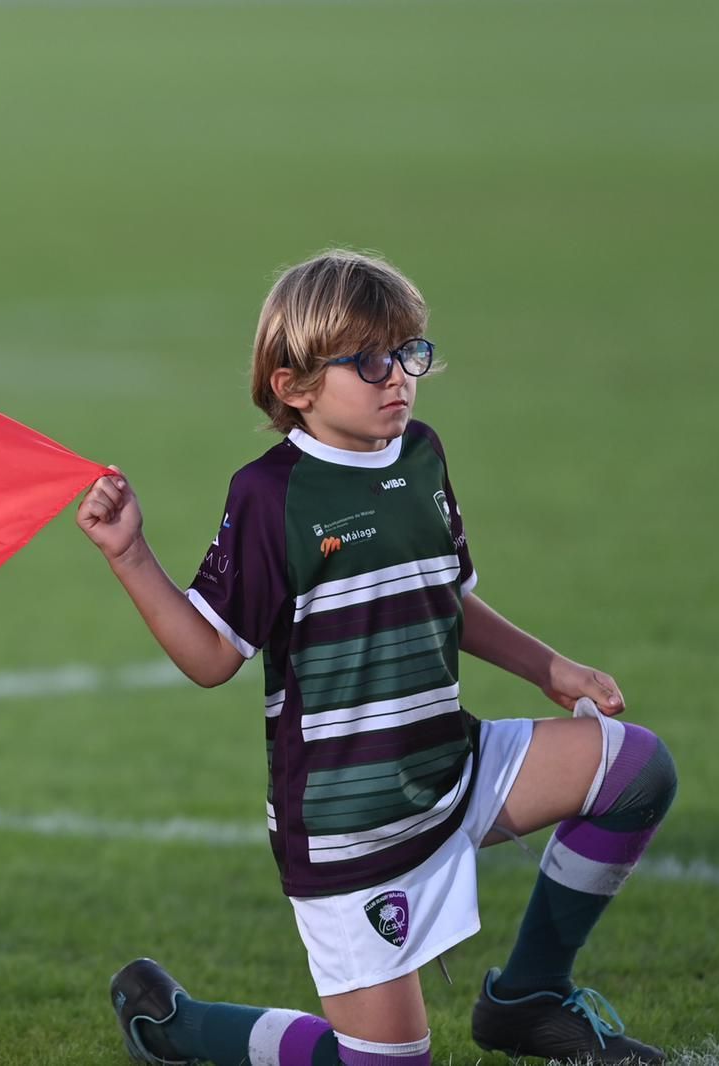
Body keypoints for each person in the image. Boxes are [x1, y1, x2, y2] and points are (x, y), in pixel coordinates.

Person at [75, 250, 676, 1065]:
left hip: (452, 770)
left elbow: (445, 596)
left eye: (409, 352)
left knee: (634, 770)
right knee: (390, 1063)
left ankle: (529, 999)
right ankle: (184, 1028)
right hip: (348, 828)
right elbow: (214, 654)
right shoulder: (270, 495)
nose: (398, 376)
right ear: (294, 386)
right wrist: (129, 553)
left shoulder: (422, 454)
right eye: (369, 360)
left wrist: (548, 668)